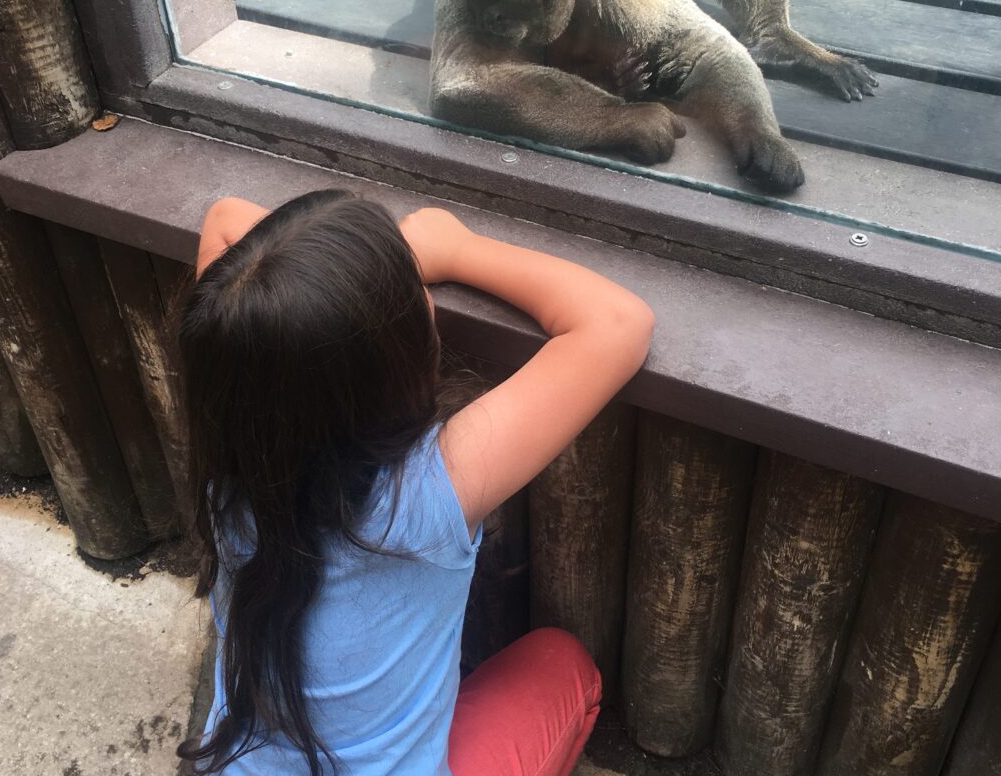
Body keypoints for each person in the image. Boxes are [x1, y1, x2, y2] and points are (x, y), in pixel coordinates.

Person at [176, 188, 655, 776]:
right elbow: (620, 322)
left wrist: (363, 274)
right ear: (400, 362)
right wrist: (456, 251)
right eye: (411, 294)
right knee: (566, 663)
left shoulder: (229, 462)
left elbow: (225, 221)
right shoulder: (428, 490)